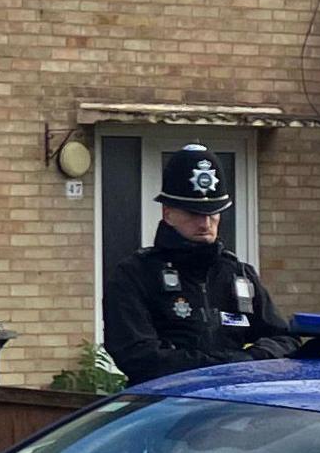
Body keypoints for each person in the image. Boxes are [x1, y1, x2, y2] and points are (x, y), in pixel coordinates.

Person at [103, 144, 284, 384]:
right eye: (194, 213)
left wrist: (250, 360)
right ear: (168, 214)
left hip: (236, 404)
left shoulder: (238, 274)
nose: (205, 223)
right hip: (165, 405)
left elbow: (284, 339)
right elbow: (137, 355)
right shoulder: (136, 274)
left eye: (212, 213)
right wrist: (221, 368)